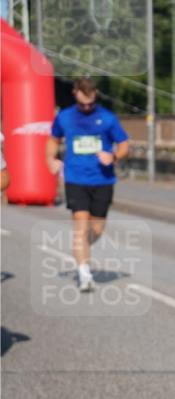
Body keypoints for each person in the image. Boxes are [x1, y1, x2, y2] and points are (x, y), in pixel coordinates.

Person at [46, 77, 129, 292]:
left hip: (102, 180)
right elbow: (53, 140)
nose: (86, 107)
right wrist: (51, 159)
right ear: (75, 94)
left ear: (95, 97)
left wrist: (113, 156)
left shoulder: (107, 118)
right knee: (81, 226)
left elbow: (123, 144)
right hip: (75, 179)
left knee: (97, 229)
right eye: (83, 103)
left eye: (90, 103)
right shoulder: (64, 117)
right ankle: (85, 275)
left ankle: (82, 245)